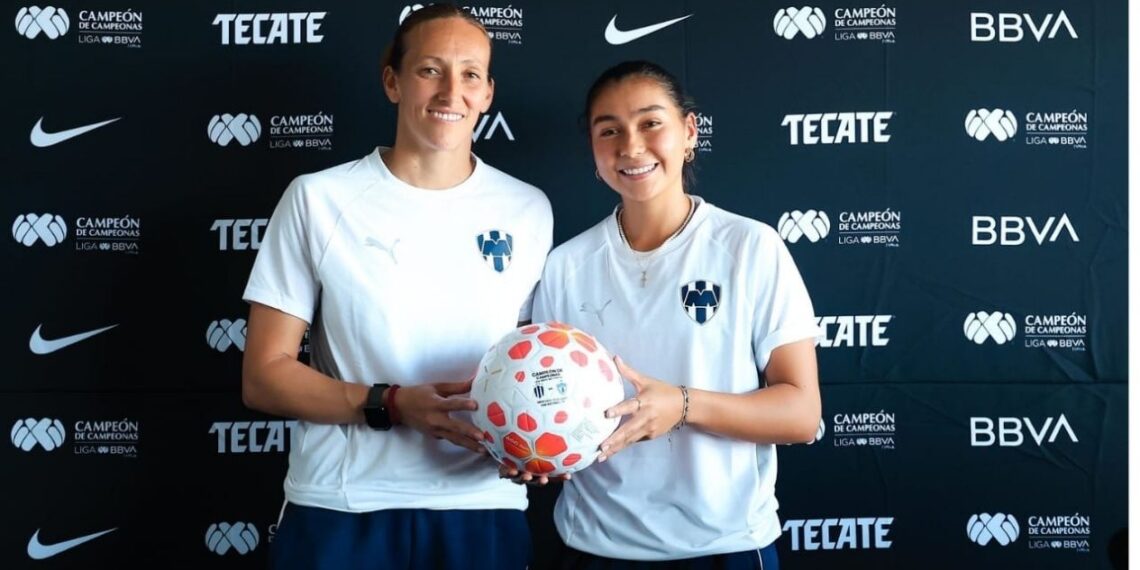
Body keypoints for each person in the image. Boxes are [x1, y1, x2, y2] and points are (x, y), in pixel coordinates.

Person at [240, 5, 552, 569]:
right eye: (430, 70)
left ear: (487, 94)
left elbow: (527, 369)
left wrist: (539, 438)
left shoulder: (528, 208)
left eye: (470, 74)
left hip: (480, 505)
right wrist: (391, 404)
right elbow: (264, 376)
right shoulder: (319, 198)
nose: (451, 91)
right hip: (342, 504)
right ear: (393, 82)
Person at [507, 61, 821, 569]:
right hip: (593, 548)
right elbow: (551, 402)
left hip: (724, 547)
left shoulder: (750, 247)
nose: (631, 146)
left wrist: (682, 405)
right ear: (593, 148)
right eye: (609, 130)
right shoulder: (565, 266)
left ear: (689, 132)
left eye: (650, 123)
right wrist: (535, 447)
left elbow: (802, 415)